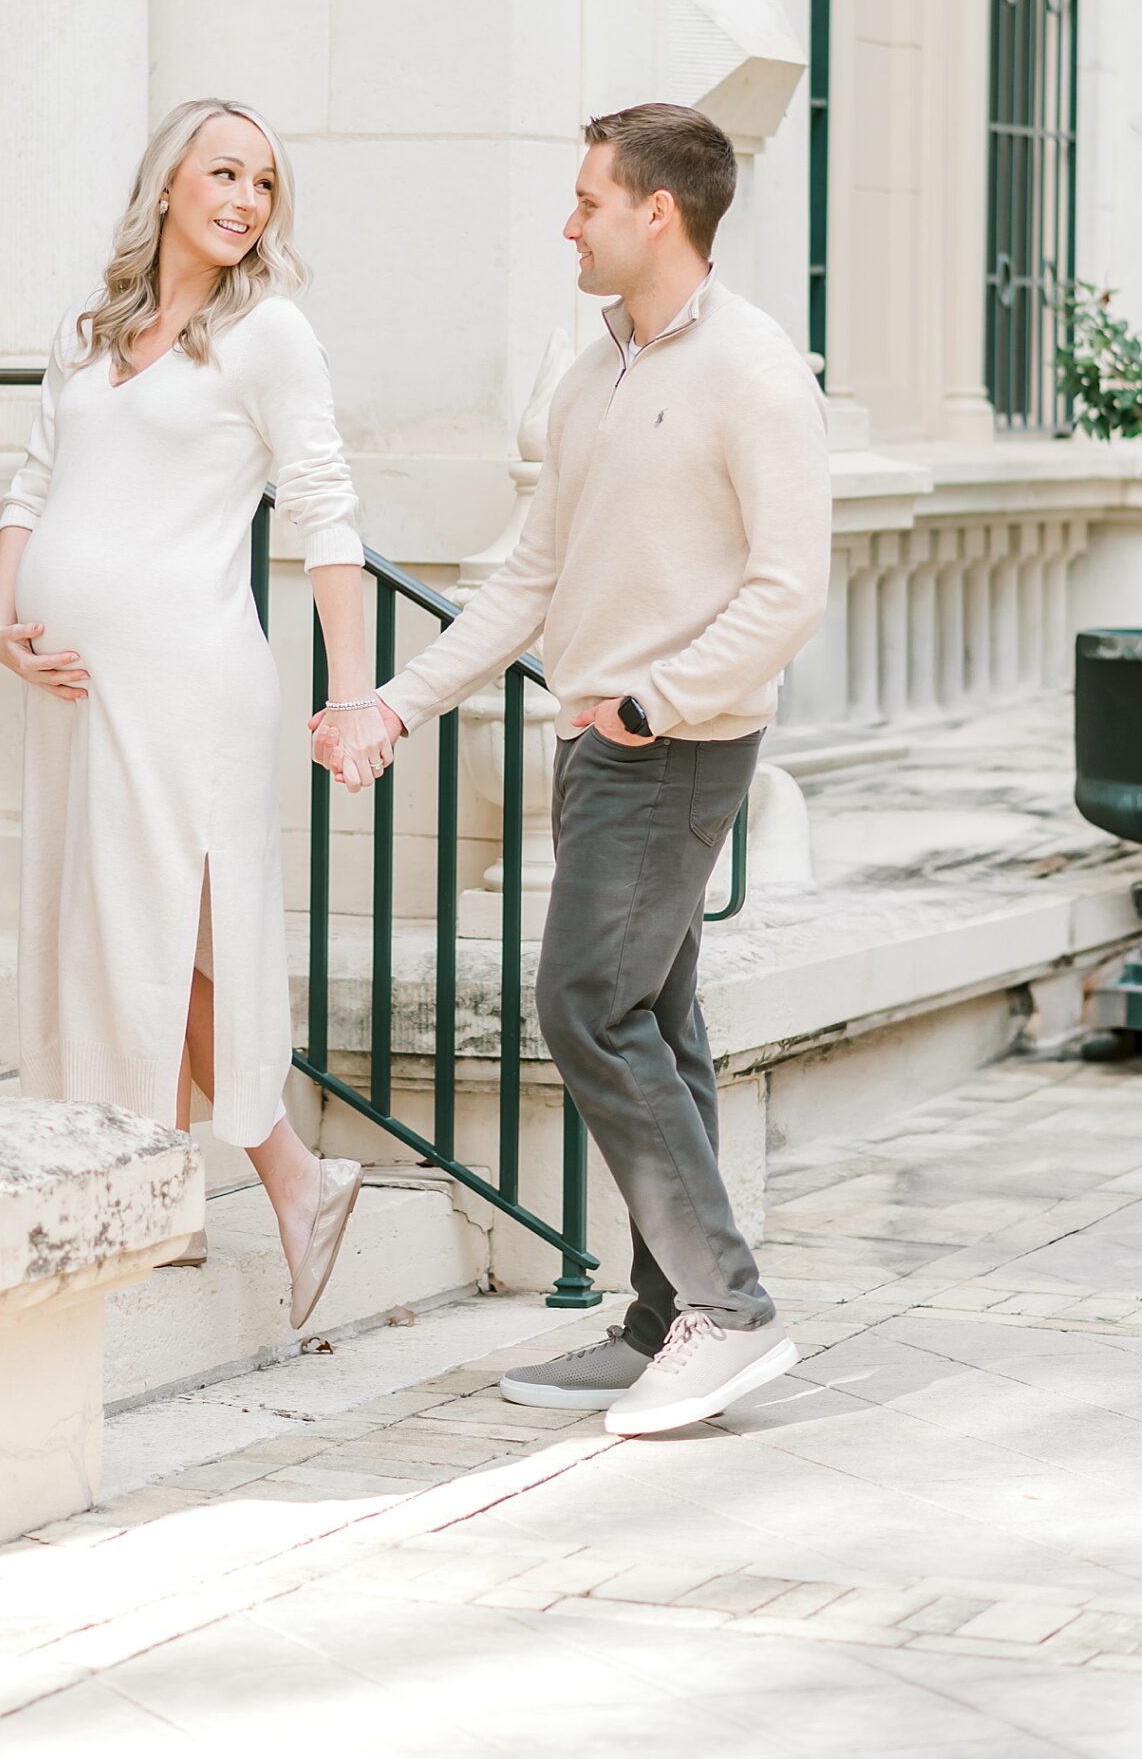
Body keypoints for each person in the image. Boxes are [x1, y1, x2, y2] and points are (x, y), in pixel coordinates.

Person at [326, 103, 831, 1434]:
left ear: (656, 210)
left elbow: (787, 591)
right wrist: (397, 702)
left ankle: (724, 1310)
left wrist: (654, 709)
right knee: (655, 1023)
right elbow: (529, 579)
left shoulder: (755, 371)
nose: (568, 221)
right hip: (600, 739)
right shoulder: (595, 364)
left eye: (587, 199)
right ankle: (669, 1320)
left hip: (672, 744)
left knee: (584, 1008)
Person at [0, 97, 391, 1329]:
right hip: (69, 684)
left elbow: (325, 509)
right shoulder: (88, 331)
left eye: (263, 184)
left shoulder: (268, 334)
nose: (244, 200)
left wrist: (355, 688)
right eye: (223, 173)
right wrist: (2, 612)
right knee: (103, 930)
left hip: (187, 680)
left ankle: (288, 1174)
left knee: (163, 931)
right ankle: (170, 1191)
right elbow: (34, 477)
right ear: (165, 182)